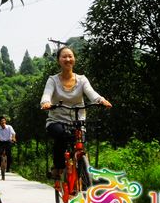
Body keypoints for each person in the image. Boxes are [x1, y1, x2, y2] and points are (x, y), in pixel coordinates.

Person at [40, 46, 112, 179]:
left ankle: (81, 171)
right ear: (59, 61)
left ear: (74, 59)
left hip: (78, 122)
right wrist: (45, 103)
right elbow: (46, 95)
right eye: (64, 57)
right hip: (56, 121)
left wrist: (101, 100)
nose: (67, 59)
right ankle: (58, 166)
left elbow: (92, 93)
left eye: (70, 56)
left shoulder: (82, 80)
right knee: (61, 136)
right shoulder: (53, 80)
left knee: (80, 143)